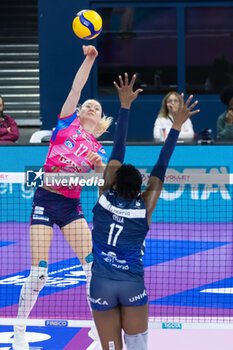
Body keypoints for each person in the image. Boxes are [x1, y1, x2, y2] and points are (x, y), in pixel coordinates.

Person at [89, 73, 199, 350]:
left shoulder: (103, 197)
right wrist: (177, 125)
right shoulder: (144, 208)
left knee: (111, 348)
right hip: (131, 286)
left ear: (111, 183)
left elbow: (118, 147)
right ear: (141, 189)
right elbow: (162, 164)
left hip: (100, 284)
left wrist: (124, 106)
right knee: (138, 346)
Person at [13, 45, 112, 350]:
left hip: (71, 207)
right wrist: (90, 58)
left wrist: (99, 168)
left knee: (92, 267)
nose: (91, 107)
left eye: (96, 107)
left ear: (101, 117)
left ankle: (97, 330)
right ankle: (19, 330)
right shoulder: (66, 121)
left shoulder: (99, 149)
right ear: (79, 111)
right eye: (87, 105)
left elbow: (101, 181)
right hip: (45, 199)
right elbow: (77, 86)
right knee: (40, 272)